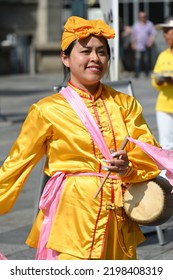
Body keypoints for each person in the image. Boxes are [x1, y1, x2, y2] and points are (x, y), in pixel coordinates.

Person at [0, 16, 160, 260]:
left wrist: (127, 167)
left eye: (102, 52)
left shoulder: (125, 104)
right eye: (85, 51)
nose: (95, 58)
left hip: (118, 222)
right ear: (65, 58)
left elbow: (149, 152)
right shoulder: (47, 110)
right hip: (71, 221)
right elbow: (14, 168)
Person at [151, 17, 173, 153]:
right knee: (166, 147)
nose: (164, 35)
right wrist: (159, 81)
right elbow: (154, 81)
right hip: (164, 107)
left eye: (167, 31)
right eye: (163, 32)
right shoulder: (162, 55)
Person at [131, 11, 156, 78]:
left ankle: (147, 73)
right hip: (138, 45)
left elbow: (153, 34)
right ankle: (137, 73)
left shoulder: (149, 24)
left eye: (144, 17)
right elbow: (133, 35)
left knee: (146, 60)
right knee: (137, 60)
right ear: (139, 17)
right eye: (141, 17)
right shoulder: (136, 25)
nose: (142, 18)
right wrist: (133, 43)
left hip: (146, 46)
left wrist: (150, 42)